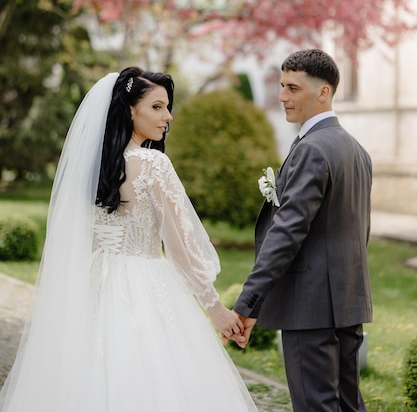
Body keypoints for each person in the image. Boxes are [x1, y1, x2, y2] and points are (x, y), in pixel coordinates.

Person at [0, 67, 257, 412]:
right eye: (157, 106)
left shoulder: (93, 169)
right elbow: (180, 249)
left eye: (167, 107)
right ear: (129, 109)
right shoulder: (153, 164)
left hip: (92, 289)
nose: (168, 116)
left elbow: (80, 239)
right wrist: (216, 310)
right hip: (144, 286)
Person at [230, 49, 373, 412]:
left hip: (309, 307)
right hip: (347, 303)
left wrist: (248, 302)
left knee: (315, 406)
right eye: (281, 86)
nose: (282, 97)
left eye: (293, 88)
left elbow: (287, 233)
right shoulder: (357, 151)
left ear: (323, 92)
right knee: (347, 405)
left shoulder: (312, 149)